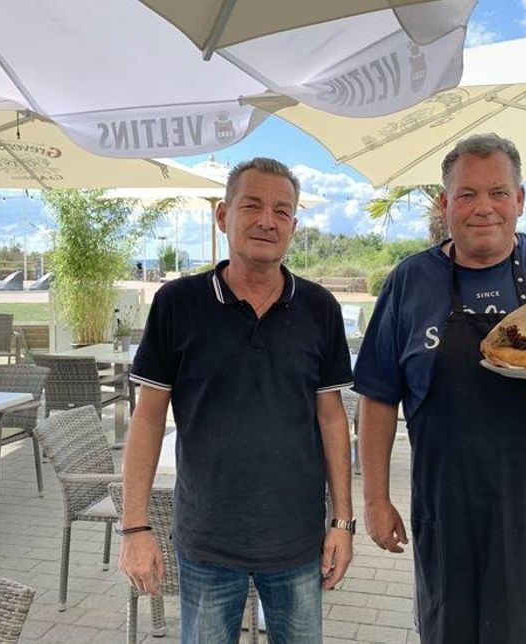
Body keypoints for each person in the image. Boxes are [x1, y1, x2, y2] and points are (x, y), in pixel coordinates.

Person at [355, 134, 526, 643]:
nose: (483, 207)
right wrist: (375, 500)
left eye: (498, 193)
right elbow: (377, 397)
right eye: (466, 194)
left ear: (520, 200)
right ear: (445, 204)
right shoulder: (410, 279)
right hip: (450, 509)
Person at [118, 157, 354, 644]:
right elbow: (146, 419)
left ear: (293, 224)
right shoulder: (177, 303)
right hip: (206, 539)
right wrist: (135, 528)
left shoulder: (319, 309)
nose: (268, 219)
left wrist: (343, 523)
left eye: (282, 210)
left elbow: (332, 421)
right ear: (223, 215)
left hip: (297, 542)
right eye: (253, 205)